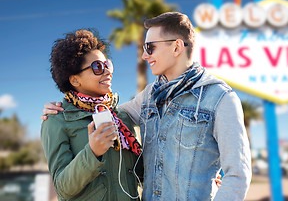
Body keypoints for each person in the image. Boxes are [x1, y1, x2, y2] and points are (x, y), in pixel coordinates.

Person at [42, 12, 251, 200]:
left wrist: (208, 184)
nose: (144, 55)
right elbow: (111, 114)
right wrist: (62, 111)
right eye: (98, 66)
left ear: (177, 47)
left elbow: (238, 174)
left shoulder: (220, 98)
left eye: (150, 47)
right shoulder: (149, 96)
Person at [40, 29, 142, 201]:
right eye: (97, 67)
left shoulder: (121, 116)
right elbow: (62, 188)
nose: (107, 72)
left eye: (107, 64)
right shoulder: (56, 120)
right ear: (75, 80)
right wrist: (93, 152)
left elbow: (141, 173)